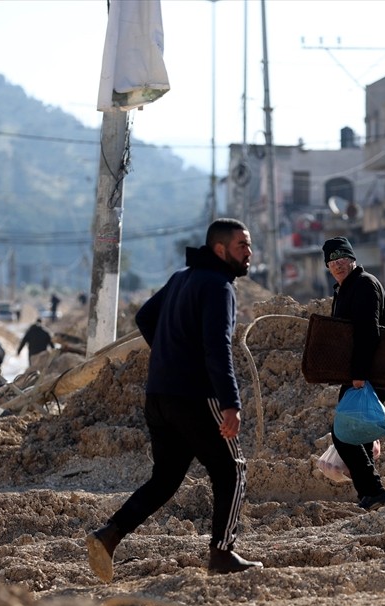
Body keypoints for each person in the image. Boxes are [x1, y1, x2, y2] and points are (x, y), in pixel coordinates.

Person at [86, 219, 263, 582]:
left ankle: (109, 535)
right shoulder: (219, 287)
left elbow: (145, 316)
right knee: (232, 469)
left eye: (249, 246)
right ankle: (222, 553)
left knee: (165, 479)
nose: (249, 253)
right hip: (195, 397)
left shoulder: (182, 277)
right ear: (220, 249)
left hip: (160, 395)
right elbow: (217, 350)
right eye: (242, 246)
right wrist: (231, 403)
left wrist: (170, 355)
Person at [324, 236, 385, 512]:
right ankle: (370, 495)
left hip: (366, 373)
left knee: (343, 433)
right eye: (332, 261)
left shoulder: (363, 285)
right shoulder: (346, 288)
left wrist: (359, 374)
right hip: (360, 372)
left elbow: (368, 332)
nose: (338, 265)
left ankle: (374, 491)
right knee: (358, 434)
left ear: (352, 259)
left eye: (343, 259)